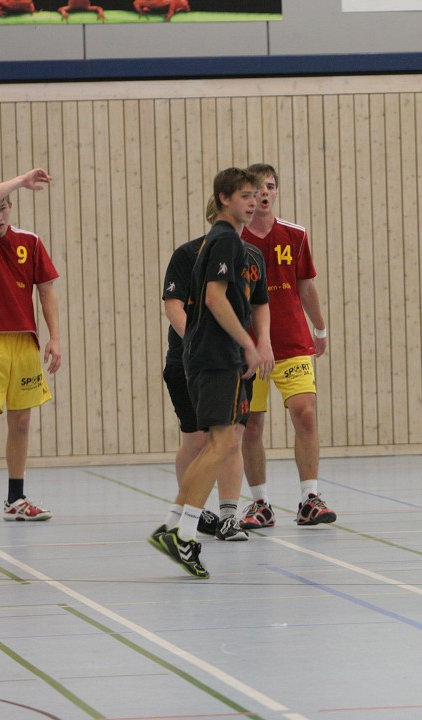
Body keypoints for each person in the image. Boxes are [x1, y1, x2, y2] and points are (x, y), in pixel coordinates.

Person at [149, 168, 274, 578]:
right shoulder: (222, 240)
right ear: (223, 199)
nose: (252, 202)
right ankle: (180, 532)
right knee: (219, 444)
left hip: (216, 357)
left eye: (256, 195)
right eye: (244, 196)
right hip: (217, 357)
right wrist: (248, 343)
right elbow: (215, 299)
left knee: (217, 444)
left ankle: (174, 529)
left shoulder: (232, 244)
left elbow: (249, 301)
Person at [238, 163, 335, 529]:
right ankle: (260, 503)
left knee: (305, 413)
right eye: (257, 188)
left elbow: (307, 286)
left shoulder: (295, 235)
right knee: (252, 426)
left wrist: (320, 329)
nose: (264, 193)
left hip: (293, 342)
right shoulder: (235, 240)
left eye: (270, 186)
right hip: (250, 348)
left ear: (276, 192)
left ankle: (310, 497)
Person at [161, 198, 252, 542]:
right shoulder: (188, 255)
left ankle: (229, 515)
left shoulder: (248, 256)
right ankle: (186, 516)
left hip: (233, 362)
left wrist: (255, 347)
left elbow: (257, 305)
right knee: (198, 441)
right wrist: (198, 345)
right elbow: (173, 306)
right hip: (190, 361)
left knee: (231, 439)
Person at [0, 169, 61, 520]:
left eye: (4, 208)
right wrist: (23, 179)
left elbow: (46, 289)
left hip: (23, 341)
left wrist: (55, 337)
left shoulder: (30, 242)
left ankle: (15, 500)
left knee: (21, 423)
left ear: (11, 208)